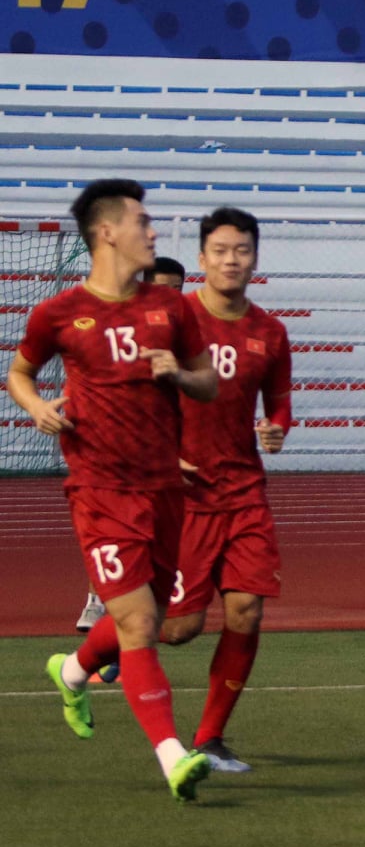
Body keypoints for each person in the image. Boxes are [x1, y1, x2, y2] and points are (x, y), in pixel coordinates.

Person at [12, 179, 220, 801]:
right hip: (100, 490)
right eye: (143, 221)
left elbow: (208, 383)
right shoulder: (57, 313)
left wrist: (180, 374)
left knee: (148, 621)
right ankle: (173, 756)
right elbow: (19, 374)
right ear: (107, 232)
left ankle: (71, 670)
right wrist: (36, 409)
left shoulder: (171, 308)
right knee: (137, 622)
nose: (152, 231)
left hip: (163, 489)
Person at [155, 208, 292, 773]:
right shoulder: (172, 318)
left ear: (254, 257)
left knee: (246, 611)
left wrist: (277, 428)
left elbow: (279, 403)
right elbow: (135, 399)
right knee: (178, 629)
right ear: (203, 257)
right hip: (183, 498)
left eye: (241, 249)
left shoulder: (270, 331)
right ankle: (98, 648)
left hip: (243, 493)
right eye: (220, 249)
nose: (231, 259)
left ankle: (209, 737)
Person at [74, 256, 187, 636]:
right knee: (114, 534)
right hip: (115, 454)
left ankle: (131, 618)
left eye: (178, 288)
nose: (171, 296)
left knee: (153, 542)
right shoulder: (122, 326)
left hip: (163, 454)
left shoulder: (188, 332)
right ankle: (96, 600)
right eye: (164, 288)